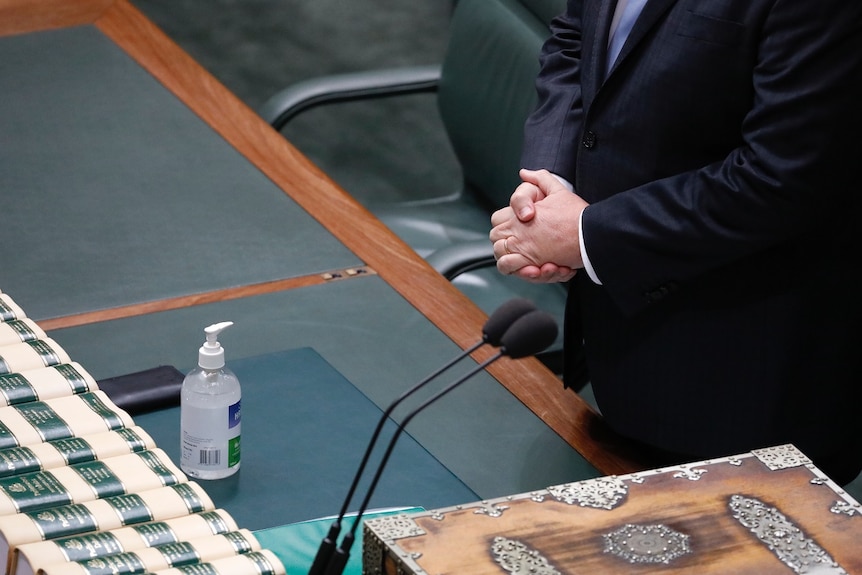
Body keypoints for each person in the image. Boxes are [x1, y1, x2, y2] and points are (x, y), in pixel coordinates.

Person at [489, 0, 862, 485]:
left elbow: (781, 177)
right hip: (617, 345)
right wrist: (547, 185)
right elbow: (576, 37)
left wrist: (586, 237)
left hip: (742, 379)